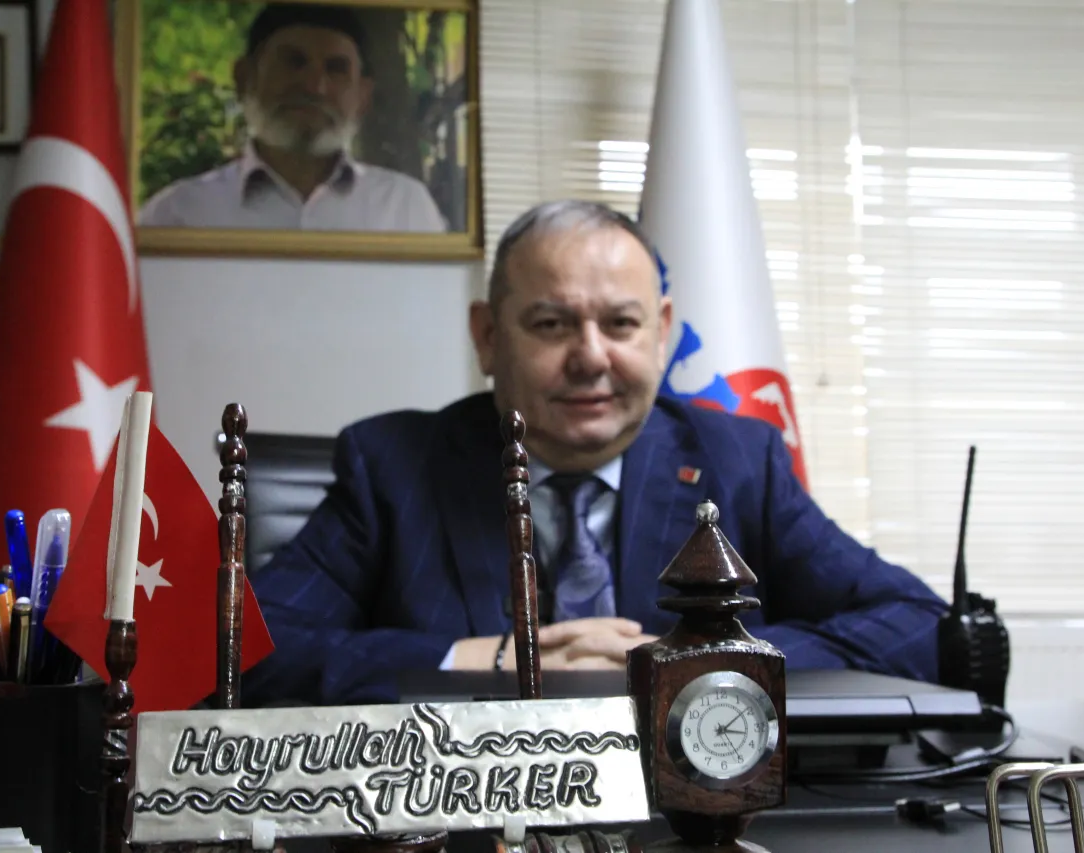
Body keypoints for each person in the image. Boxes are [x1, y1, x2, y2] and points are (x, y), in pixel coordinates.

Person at [243, 200, 948, 707]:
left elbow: (919, 624)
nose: (591, 357)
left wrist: (700, 663)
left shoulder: (738, 461)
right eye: (552, 324)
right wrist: (485, 659)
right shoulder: (393, 467)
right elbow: (243, 648)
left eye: (621, 324)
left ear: (661, 332)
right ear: (488, 337)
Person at [137, 3, 446, 232]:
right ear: (244, 79)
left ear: (363, 97)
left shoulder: (406, 208)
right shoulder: (178, 214)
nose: (314, 86)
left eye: (336, 69)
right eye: (293, 62)